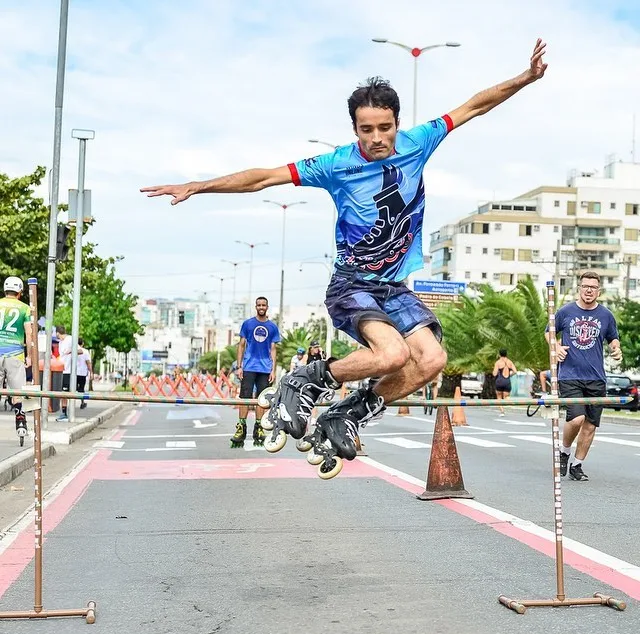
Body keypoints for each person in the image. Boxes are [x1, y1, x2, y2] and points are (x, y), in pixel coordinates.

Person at [142, 40, 547, 464]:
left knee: (432, 359)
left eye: (384, 128)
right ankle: (303, 381)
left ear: (396, 123)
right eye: (366, 130)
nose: (377, 138)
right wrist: (199, 185)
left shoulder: (420, 141)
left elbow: (474, 106)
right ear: (354, 129)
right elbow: (263, 178)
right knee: (392, 354)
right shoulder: (336, 164)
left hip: (394, 287)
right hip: (352, 284)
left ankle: (347, 414)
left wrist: (525, 78)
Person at [547, 271, 621, 482]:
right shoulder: (565, 311)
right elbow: (549, 331)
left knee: (590, 424)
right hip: (570, 375)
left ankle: (577, 465)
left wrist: (616, 349)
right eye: (585, 286)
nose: (589, 290)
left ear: (599, 291)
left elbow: (613, 339)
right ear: (579, 288)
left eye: (593, 287)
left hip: (596, 377)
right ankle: (564, 451)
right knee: (577, 418)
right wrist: (556, 345)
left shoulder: (606, 315)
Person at [232, 297, 280, 447]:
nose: (261, 307)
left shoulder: (272, 327)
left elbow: (273, 349)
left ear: (267, 307)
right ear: (255, 306)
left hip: (265, 369)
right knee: (245, 397)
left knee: (262, 399)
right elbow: (241, 345)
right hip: (249, 366)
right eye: (259, 305)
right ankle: (241, 426)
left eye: (263, 305)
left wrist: (273, 370)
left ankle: (258, 427)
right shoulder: (248, 324)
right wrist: (239, 366)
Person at [0, 277, 32, 439]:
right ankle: (21, 423)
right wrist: (30, 356)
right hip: (15, 354)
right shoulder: (25, 309)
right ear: (19, 292)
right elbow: (28, 333)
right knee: (17, 392)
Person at [56, 325, 84, 421]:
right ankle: (63, 412)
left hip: (68, 370)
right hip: (62, 369)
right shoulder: (60, 343)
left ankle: (65, 413)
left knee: (65, 392)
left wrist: (71, 351)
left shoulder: (70, 339)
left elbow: (80, 351)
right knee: (62, 392)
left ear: (57, 333)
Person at [493, 349, 516, 416]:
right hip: (507, 381)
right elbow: (515, 371)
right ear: (506, 354)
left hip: (499, 381)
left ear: (499, 354)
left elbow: (494, 373)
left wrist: (496, 373)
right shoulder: (510, 362)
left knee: (499, 397)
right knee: (506, 397)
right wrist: (509, 375)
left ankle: (502, 411)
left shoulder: (498, 362)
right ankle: (509, 403)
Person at [76, 338, 93, 410]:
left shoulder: (73, 350)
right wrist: (91, 372)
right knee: (81, 389)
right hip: (82, 373)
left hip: (74, 372)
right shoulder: (85, 352)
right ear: (82, 343)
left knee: (72, 388)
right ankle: (82, 402)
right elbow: (88, 362)